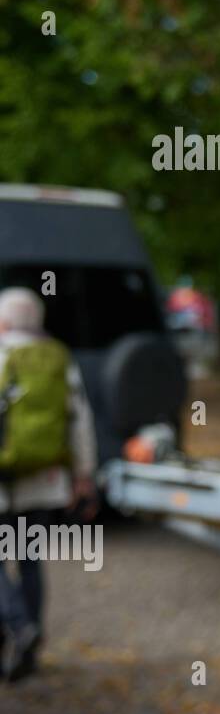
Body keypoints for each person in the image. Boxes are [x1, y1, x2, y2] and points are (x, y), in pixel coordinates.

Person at [0, 287, 98, 682]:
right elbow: (80, 421)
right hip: (43, 481)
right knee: (28, 559)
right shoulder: (59, 357)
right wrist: (84, 476)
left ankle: (18, 625)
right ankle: (30, 643)